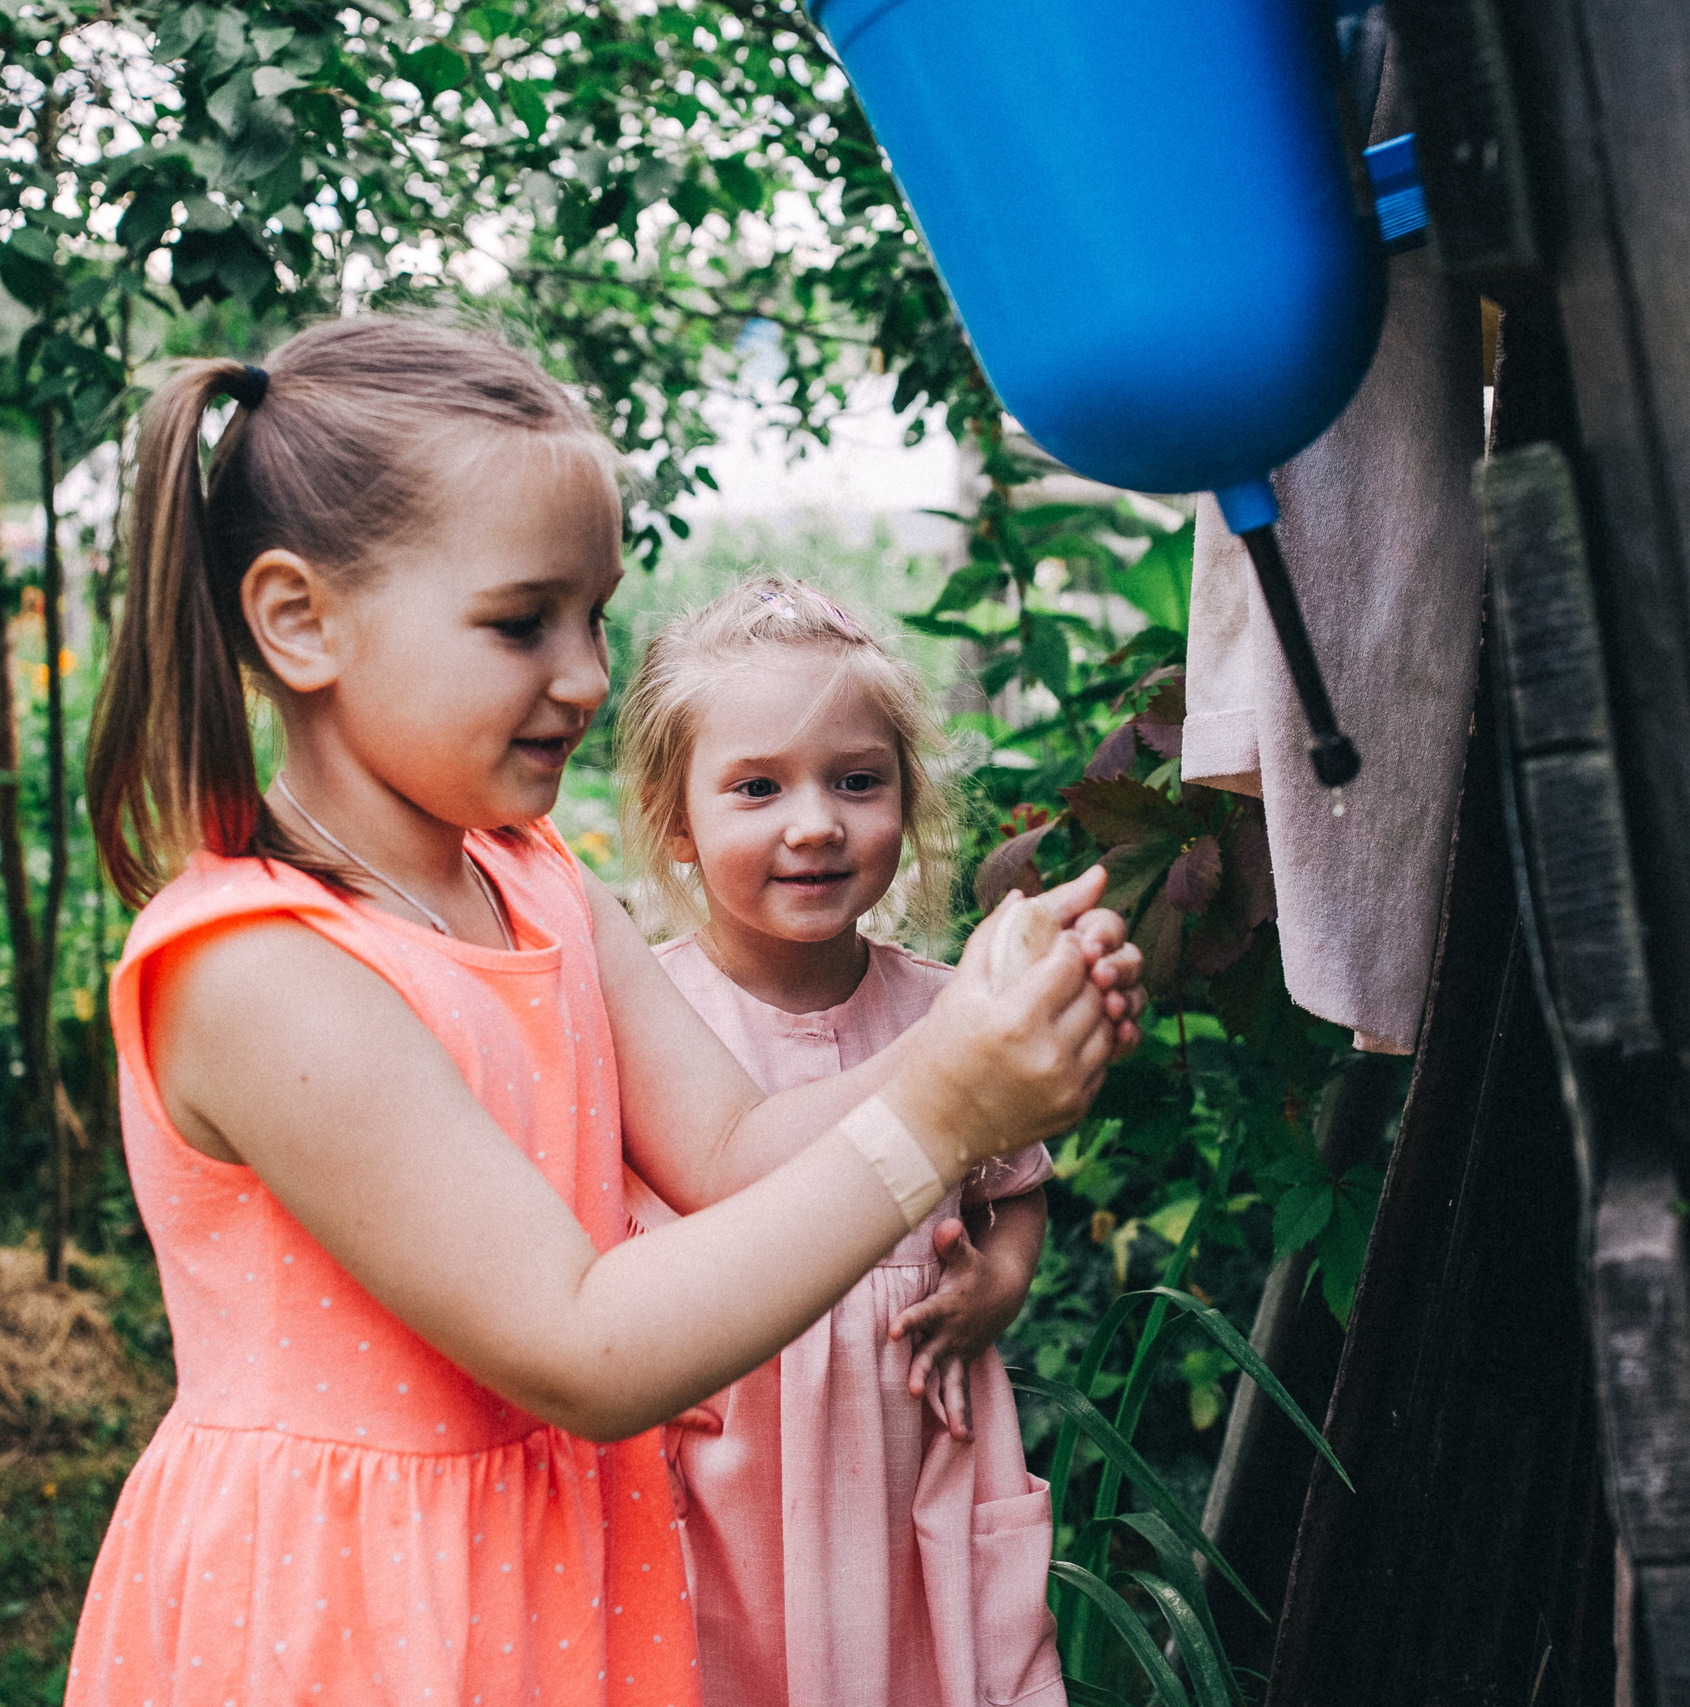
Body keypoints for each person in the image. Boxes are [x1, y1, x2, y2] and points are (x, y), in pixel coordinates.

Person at [65, 318, 1142, 1707]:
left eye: (594, 615)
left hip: (551, 1567)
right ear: (299, 620)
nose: (584, 675)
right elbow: (581, 1346)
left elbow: (736, 1150)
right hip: (352, 1605)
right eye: (523, 621)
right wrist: (943, 1114)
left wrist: (968, 1031)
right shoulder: (263, 969)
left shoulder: (530, 880)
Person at [613, 579, 1067, 1707]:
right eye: (757, 787)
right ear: (677, 821)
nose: (814, 823)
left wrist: (999, 1283)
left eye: (857, 781)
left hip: (911, 1456)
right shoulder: (648, 1021)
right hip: (723, 1466)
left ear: (907, 799)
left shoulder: (951, 1010)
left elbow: (1014, 1186)